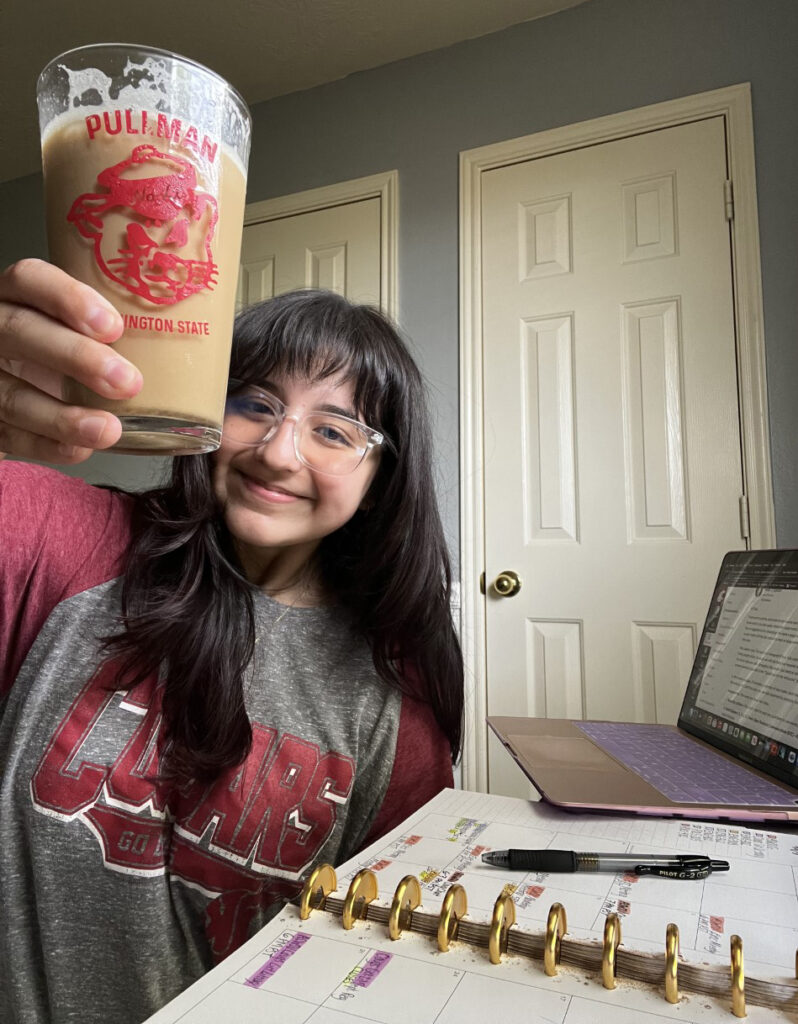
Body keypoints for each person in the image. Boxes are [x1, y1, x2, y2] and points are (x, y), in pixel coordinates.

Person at [0, 259, 464, 1024]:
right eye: (254, 404)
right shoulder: (67, 539)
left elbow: (387, 954)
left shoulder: (394, 696)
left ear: (382, 474)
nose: (278, 453)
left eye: (333, 431)